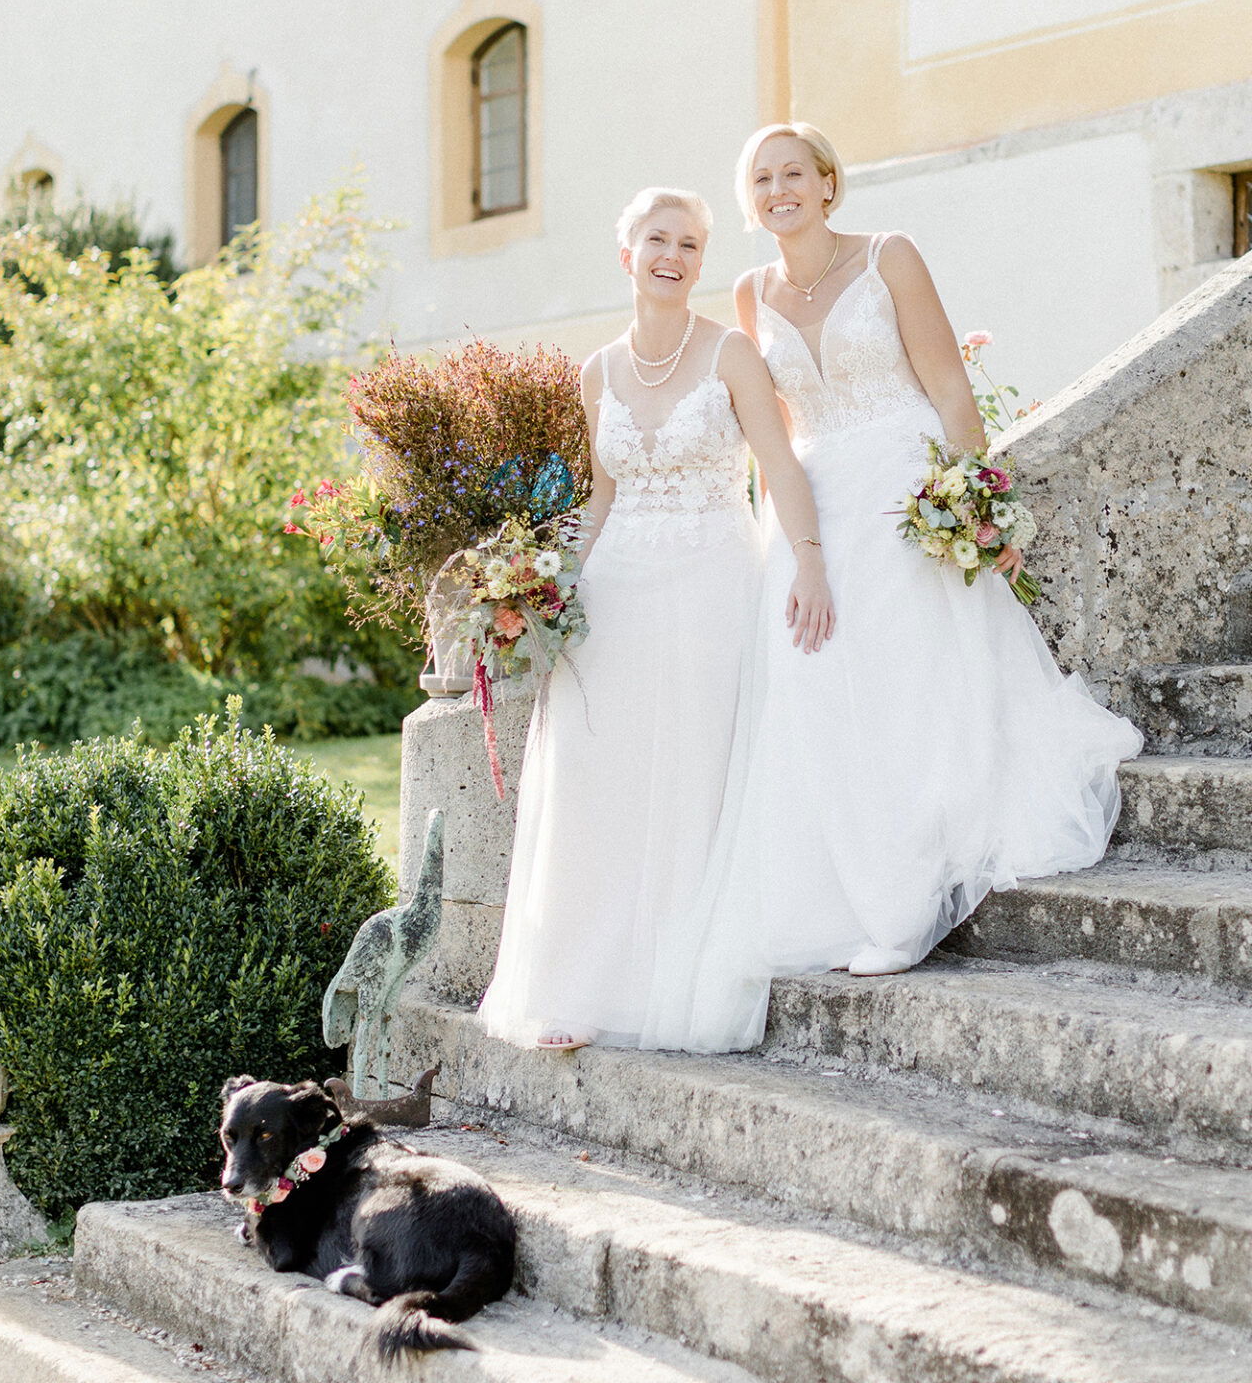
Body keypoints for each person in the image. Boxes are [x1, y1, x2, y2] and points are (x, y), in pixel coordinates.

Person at [648, 124, 1141, 1053]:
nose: (779, 189)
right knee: (820, 690)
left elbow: (951, 391)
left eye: (794, 173)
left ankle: (908, 898)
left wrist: (973, 504)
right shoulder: (751, 293)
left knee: (913, 683)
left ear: (829, 183)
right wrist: (788, 543)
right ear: (750, 200)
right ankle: (848, 883)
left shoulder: (891, 257)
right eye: (761, 179)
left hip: (907, 489)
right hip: (819, 508)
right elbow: (779, 430)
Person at [477, 186, 834, 1052]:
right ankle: (583, 989)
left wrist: (811, 557)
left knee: (692, 773)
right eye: (657, 239)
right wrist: (544, 590)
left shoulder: (733, 355)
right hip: (617, 595)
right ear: (627, 252)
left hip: (713, 582)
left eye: (690, 244)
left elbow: (781, 466)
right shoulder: (597, 370)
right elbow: (600, 497)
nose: (673, 255)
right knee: (600, 782)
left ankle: (674, 984)